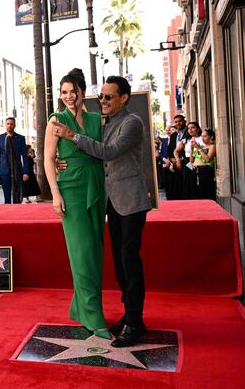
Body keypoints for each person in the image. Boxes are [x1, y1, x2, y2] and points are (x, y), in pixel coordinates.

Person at [52, 75, 152, 348]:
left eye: (109, 97)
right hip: (109, 201)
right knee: (120, 263)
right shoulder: (106, 122)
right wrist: (64, 163)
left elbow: (109, 151)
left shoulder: (132, 122)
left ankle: (135, 322)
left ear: (124, 98)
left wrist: (71, 136)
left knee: (130, 263)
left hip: (130, 202)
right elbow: (83, 153)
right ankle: (131, 316)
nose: (104, 101)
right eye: (102, 97)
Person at [44, 69, 109, 339]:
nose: (69, 97)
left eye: (73, 91)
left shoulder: (96, 119)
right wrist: (55, 194)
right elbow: (48, 159)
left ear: (83, 92)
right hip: (70, 189)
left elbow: (104, 151)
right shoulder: (56, 120)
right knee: (81, 252)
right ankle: (94, 315)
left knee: (94, 252)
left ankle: (80, 308)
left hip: (96, 186)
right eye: (64, 92)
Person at [0, 117, 31, 204]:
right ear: (5, 125)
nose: (9, 126)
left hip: (17, 170)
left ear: (14, 125)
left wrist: (26, 172)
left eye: (11, 124)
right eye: (8, 124)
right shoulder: (0, 138)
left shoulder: (20, 138)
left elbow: (25, 156)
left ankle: (17, 215)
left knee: (17, 196)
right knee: (7, 197)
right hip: (4, 170)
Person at [174, 121, 204, 200]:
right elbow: (176, 151)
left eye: (193, 127)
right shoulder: (185, 140)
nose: (190, 130)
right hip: (188, 163)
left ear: (197, 129)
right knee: (189, 183)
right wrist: (178, 161)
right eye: (188, 128)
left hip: (200, 162)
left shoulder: (203, 138)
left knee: (200, 185)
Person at [164, 115, 188, 200]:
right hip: (175, 164)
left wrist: (180, 159)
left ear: (184, 121)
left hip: (187, 163)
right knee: (176, 187)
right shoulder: (174, 135)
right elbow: (169, 150)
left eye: (180, 121)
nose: (178, 123)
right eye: (176, 122)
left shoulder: (188, 133)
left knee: (186, 187)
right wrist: (171, 159)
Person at [192, 128, 216, 200]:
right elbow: (191, 160)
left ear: (211, 137)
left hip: (205, 171)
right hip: (196, 170)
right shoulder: (201, 146)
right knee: (197, 192)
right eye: (202, 136)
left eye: (205, 136)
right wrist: (192, 149)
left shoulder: (212, 146)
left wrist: (199, 149)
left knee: (205, 192)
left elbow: (208, 159)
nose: (202, 138)